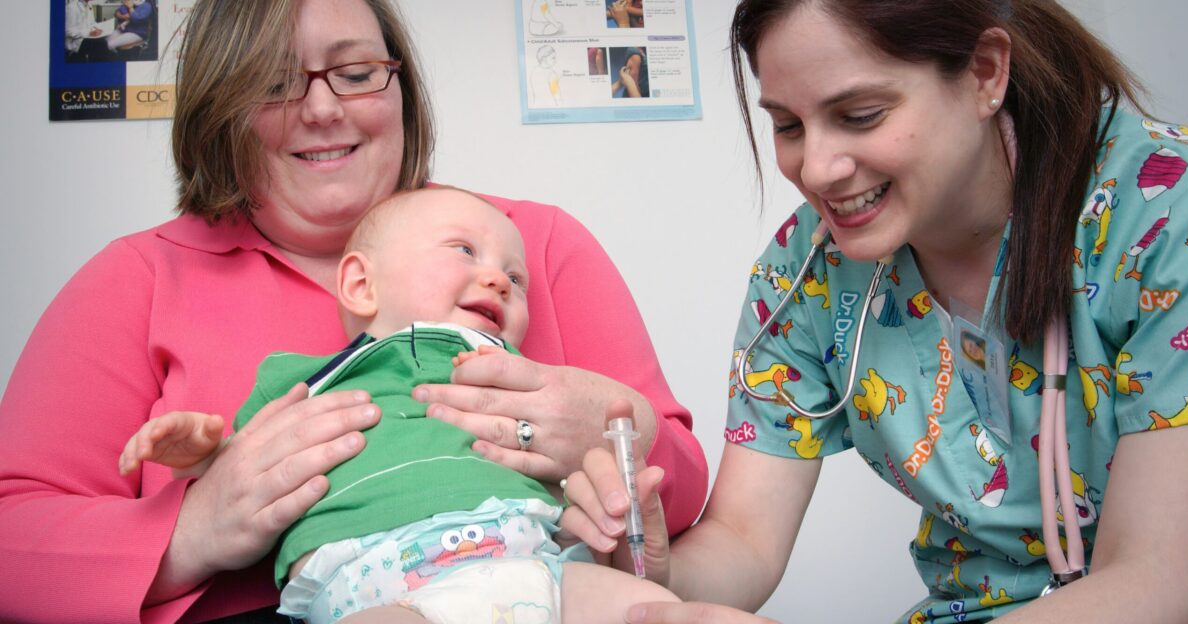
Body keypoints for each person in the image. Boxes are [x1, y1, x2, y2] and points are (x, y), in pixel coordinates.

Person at [0, 1, 706, 622]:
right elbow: (12, 543)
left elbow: (678, 495)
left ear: (399, 86)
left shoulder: (531, 248)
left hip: (541, 589)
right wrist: (191, 531)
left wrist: (619, 430)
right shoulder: (137, 278)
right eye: (274, 83)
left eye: (357, 71)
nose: (322, 109)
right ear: (222, 106)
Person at [563, 0, 1188, 622]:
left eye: (861, 115)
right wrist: (652, 563)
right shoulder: (805, 271)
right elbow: (744, 539)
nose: (816, 168)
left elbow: (1161, 575)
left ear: (985, 73)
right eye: (788, 125)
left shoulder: (1168, 211)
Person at [118, 187, 679, 623]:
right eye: (465, 250)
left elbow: (590, 465)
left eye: (516, 277)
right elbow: (248, 481)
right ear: (362, 283)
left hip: (532, 560)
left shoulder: (524, 379)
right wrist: (200, 454)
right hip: (374, 578)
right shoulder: (303, 381)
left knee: (656, 608)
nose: (500, 281)